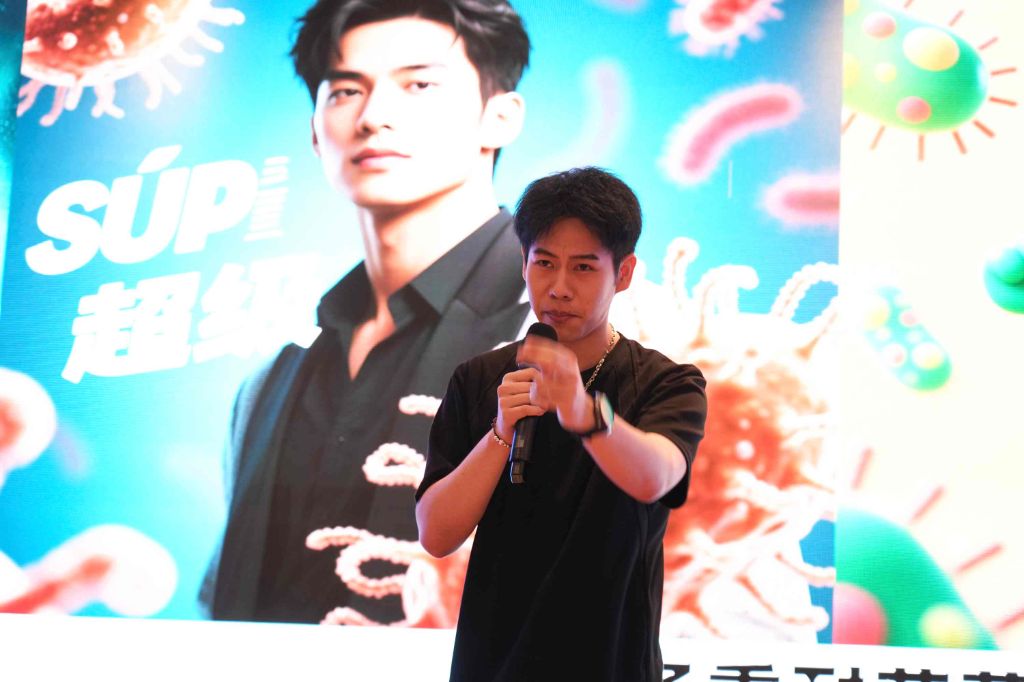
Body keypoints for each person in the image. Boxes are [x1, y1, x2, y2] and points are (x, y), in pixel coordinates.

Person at [202, 0, 532, 624]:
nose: (374, 116)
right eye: (346, 91)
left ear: (500, 116)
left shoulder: (565, 335)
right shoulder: (268, 383)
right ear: (314, 130)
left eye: (419, 85)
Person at [416, 167, 708, 682]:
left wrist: (583, 411)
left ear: (623, 273)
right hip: (491, 666)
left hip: (613, 665)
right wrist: (500, 433)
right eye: (544, 263)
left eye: (583, 268)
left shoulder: (666, 381)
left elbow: (656, 477)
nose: (559, 288)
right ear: (523, 263)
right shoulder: (479, 378)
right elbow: (436, 534)